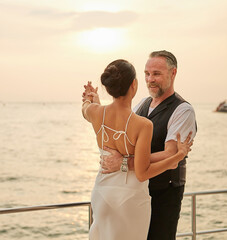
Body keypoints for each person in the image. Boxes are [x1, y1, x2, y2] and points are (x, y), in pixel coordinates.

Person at [82, 59, 193, 239]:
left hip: (101, 193)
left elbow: (85, 109)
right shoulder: (142, 125)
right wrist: (178, 157)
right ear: (134, 85)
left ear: (109, 87)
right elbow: (142, 173)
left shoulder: (95, 112)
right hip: (130, 198)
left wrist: (90, 99)